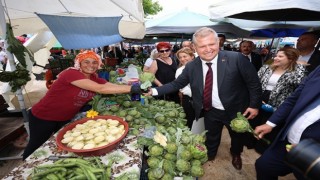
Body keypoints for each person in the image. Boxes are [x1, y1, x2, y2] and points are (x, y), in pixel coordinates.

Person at [146, 27, 262, 170]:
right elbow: (177, 84)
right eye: (202, 46)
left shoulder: (237, 59)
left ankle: (236, 154)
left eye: (212, 44)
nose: (208, 49)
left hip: (236, 110)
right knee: (211, 136)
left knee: (237, 137)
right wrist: (153, 91)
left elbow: (254, 84)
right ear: (194, 47)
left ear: (218, 43)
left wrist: (254, 105)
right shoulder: (192, 66)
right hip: (210, 109)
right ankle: (210, 154)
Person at [23, 50, 141, 160]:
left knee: (60, 145)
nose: (91, 65)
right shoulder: (71, 73)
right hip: (44, 116)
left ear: (99, 64)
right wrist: (132, 88)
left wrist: (136, 87)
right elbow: (101, 89)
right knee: (35, 146)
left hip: (65, 118)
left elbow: (109, 85)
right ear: (79, 63)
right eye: (86, 62)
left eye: (95, 62)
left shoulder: (94, 78)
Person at [254, 66, 320, 180]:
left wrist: (313, 151)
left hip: (315, 156)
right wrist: (270, 123)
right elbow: (294, 97)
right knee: (263, 166)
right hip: (287, 142)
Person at [250, 47, 306, 153]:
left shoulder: (296, 71)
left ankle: (262, 147)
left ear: (291, 58)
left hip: (279, 104)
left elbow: (300, 86)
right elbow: (256, 82)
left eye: (280, 56)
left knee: (269, 125)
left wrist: (298, 65)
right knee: (255, 121)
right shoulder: (267, 67)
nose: (276, 58)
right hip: (261, 98)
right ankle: (251, 142)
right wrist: (257, 98)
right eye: (276, 55)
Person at [175, 47, 195, 129]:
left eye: (185, 56)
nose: (182, 59)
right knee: (191, 121)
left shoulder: (200, 67)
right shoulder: (179, 71)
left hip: (204, 100)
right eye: (180, 57)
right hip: (189, 100)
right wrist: (197, 95)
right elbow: (182, 88)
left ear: (192, 56)